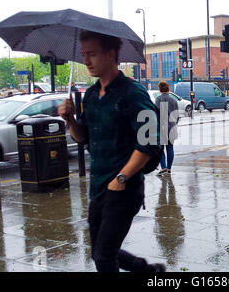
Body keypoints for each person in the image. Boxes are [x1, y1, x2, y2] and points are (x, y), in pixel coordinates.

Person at [58, 30, 165, 272]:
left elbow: (149, 144)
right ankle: (148, 271)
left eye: (92, 54)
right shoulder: (92, 95)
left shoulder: (133, 93)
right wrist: (70, 120)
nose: (86, 61)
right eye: (84, 54)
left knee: (104, 257)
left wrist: (121, 178)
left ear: (110, 54)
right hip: (98, 188)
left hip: (123, 190)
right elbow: (83, 137)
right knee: (100, 252)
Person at [155, 81, 179, 176]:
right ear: (168, 89)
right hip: (172, 127)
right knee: (170, 148)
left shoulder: (158, 99)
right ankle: (169, 168)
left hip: (162, 127)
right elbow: (177, 115)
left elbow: (156, 113)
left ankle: (163, 167)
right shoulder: (174, 100)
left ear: (160, 89)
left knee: (160, 149)